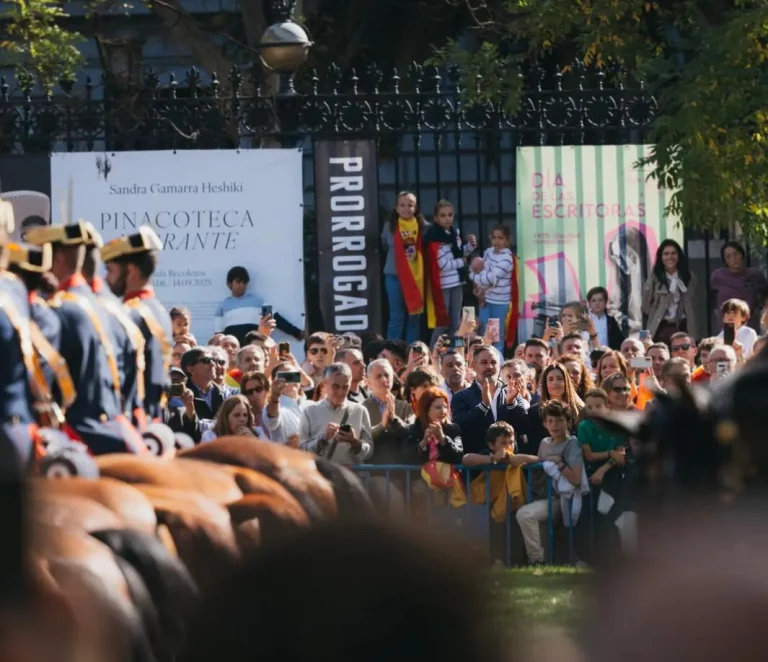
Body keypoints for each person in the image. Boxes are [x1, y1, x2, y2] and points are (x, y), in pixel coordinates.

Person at [26, 221, 146, 454]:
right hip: (113, 430)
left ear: (57, 259)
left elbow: (42, 384)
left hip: (76, 438)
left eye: (40, 256)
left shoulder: (59, 310)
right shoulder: (106, 307)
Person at [101, 226, 173, 424]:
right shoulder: (158, 310)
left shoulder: (128, 314)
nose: (106, 278)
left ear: (131, 271)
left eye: (110, 270)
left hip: (133, 419)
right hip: (154, 417)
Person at [515, 400, 584, 565]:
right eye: (550, 421)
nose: (554, 425)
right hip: (544, 495)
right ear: (545, 424)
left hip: (564, 499)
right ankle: (540, 561)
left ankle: (537, 560)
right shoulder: (544, 443)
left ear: (569, 422)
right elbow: (542, 465)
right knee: (533, 523)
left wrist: (559, 463)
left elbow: (576, 479)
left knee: (525, 514)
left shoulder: (573, 444)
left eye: (559, 420)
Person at [451, 344, 529, 454]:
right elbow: (460, 428)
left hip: (509, 460)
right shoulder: (461, 397)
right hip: (477, 461)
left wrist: (511, 404)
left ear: (499, 366)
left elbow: (524, 427)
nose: (490, 366)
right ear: (473, 365)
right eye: (484, 362)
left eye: (493, 362)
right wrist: (483, 406)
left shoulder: (512, 394)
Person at [423, 199, 476, 346]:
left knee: (455, 322)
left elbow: (459, 253)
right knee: (442, 323)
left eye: (450, 215)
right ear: (436, 218)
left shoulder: (454, 232)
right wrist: (462, 262)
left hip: (457, 282)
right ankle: (432, 352)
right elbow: (443, 264)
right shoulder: (434, 237)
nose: (447, 218)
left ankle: (453, 352)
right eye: (443, 215)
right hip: (443, 285)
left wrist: (470, 247)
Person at [299, 363, 374, 465]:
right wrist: (322, 439)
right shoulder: (309, 411)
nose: (340, 392)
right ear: (325, 383)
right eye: (335, 387)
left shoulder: (360, 411)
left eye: (345, 387)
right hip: (321, 473)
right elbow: (300, 451)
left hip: (351, 474)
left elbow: (370, 452)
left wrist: (354, 442)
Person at [213, 265, 304, 345]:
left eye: (244, 282)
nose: (242, 285)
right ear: (229, 283)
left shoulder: (258, 301)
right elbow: (219, 335)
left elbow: (276, 318)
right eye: (238, 282)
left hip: (255, 346)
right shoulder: (222, 306)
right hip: (234, 349)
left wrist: (296, 332)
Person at [382, 191, 427, 342]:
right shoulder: (390, 226)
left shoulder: (423, 226)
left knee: (414, 315)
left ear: (416, 208)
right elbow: (385, 244)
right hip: (394, 276)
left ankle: (411, 349)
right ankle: (392, 348)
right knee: (397, 315)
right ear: (396, 208)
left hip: (415, 277)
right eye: (402, 205)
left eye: (410, 205)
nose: (406, 208)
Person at [469, 224, 517, 352]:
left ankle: (498, 360)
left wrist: (472, 276)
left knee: (496, 337)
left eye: (500, 238)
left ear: (507, 240)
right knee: (484, 335)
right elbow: (481, 270)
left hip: (499, 303)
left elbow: (491, 278)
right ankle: (484, 359)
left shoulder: (507, 259)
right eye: (494, 237)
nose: (497, 241)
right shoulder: (488, 252)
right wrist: (480, 289)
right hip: (486, 300)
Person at [642, 239, 698, 345]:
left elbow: (694, 304)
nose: (670, 257)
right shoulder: (654, 278)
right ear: (661, 257)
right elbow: (646, 307)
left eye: (673, 253)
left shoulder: (688, 277)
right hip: (660, 327)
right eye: (666, 254)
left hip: (683, 326)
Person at [362, 359, 414, 464]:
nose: (384, 379)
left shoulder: (406, 407)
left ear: (393, 379)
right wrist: (382, 425)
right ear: (368, 382)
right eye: (378, 376)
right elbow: (362, 437)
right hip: (373, 468)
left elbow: (411, 433)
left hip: (402, 467)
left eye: (387, 375)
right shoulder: (363, 408)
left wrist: (394, 419)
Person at [525, 362, 583, 455]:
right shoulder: (535, 412)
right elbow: (534, 445)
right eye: (551, 379)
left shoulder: (580, 409)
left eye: (559, 378)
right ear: (545, 384)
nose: (555, 382)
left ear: (566, 382)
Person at [710, 240, 768, 332]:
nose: (733, 259)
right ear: (724, 260)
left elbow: (765, 296)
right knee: (729, 341)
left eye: (736, 254)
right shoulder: (718, 276)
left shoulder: (755, 275)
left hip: (750, 324)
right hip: (728, 325)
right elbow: (712, 298)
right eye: (728, 257)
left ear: (742, 254)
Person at [408, 387, 464, 465]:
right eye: (438, 407)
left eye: (445, 407)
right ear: (426, 409)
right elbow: (405, 458)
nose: (443, 411)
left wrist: (443, 439)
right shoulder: (413, 430)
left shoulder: (453, 429)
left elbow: (459, 456)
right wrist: (423, 442)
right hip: (420, 473)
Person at [181, 347, 224, 422]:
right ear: (190, 369)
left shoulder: (222, 393)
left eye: (213, 360)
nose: (213, 364)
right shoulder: (182, 395)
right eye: (206, 360)